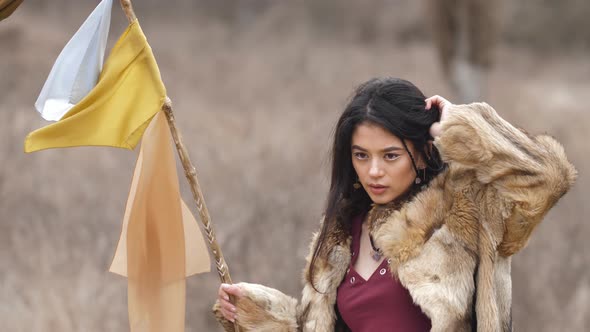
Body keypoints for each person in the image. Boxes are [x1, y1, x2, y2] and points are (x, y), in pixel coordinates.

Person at [213, 78, 576, 332]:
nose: (374, 171)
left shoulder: (464, 212)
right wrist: (256, 311)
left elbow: (547, 177)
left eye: (390, 155)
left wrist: (464, 125)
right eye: (361, 155)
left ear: (421, 153)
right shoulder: (339, 236)